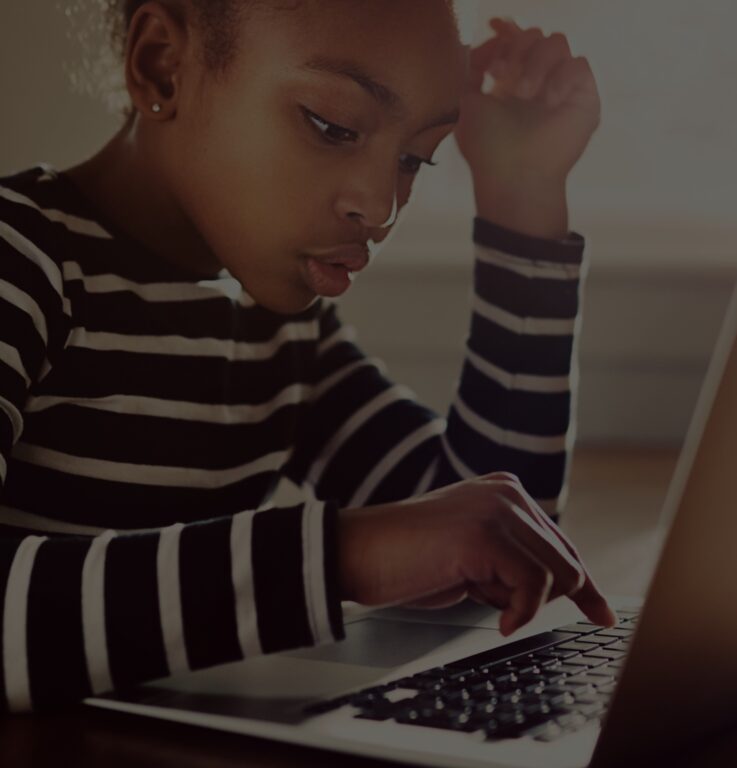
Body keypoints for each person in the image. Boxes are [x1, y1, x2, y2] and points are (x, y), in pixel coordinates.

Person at [0, 0, 616, 713]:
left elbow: (502, 538)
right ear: (161, 66)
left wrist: (523, 197)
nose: (380, 205)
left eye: (415, 158)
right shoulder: (21, 260)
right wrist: (339, 557)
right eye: (333, 126)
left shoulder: (281, 334)